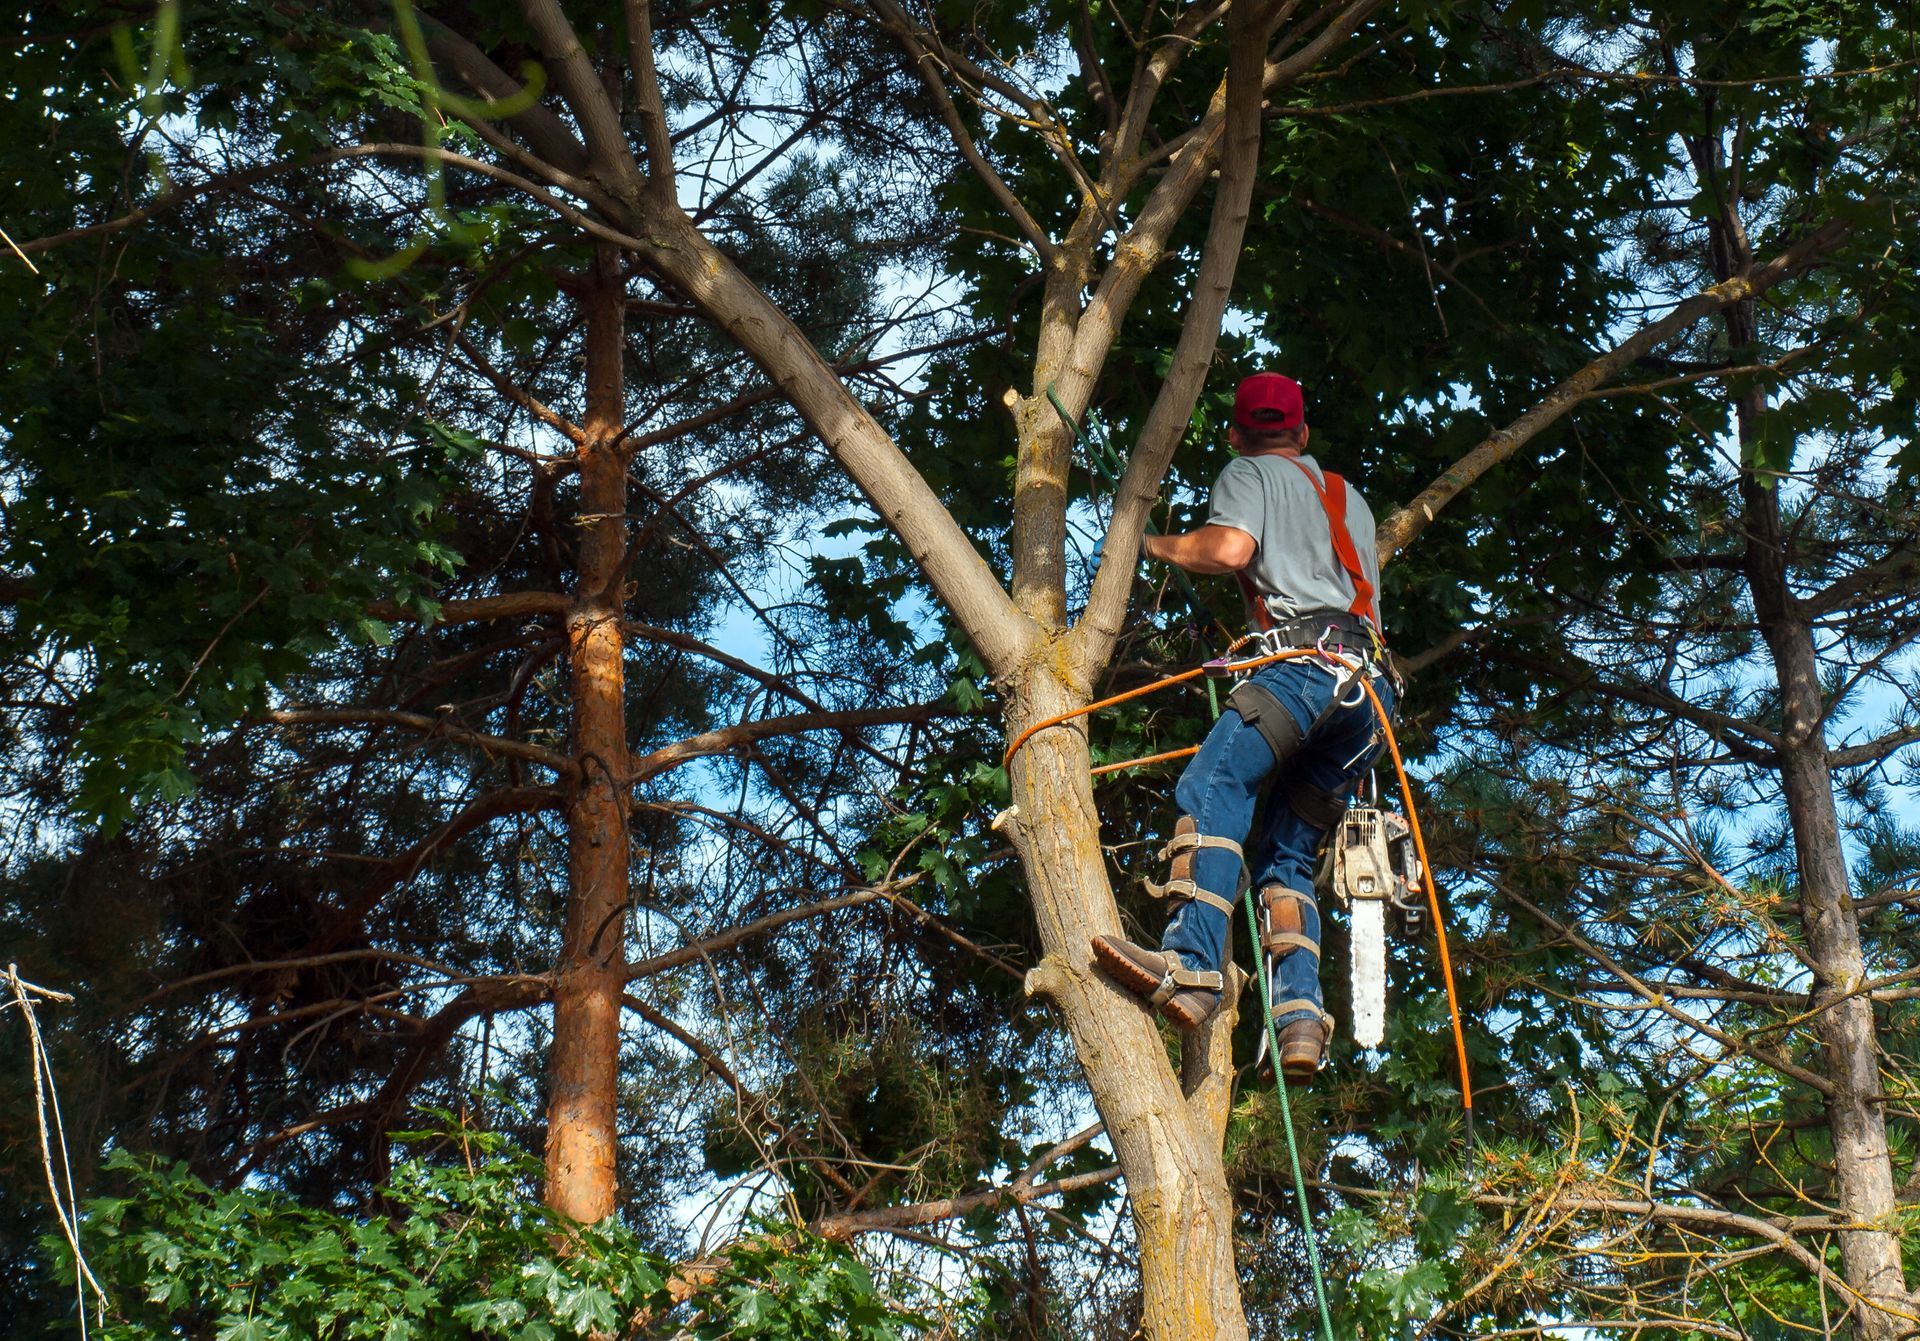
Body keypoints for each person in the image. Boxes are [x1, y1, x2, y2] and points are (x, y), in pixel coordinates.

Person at [1091, 371, 1394, 1079]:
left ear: (1236, 434)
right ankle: (1298, 1021)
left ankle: (1194, 965)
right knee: (1287, 855)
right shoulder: (1351, 500)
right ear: (1304, 434)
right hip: (1370, 696)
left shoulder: (1247, 470)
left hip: (1305, 670)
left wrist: (1153, 544)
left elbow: (1229, 550)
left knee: (1216, 783)